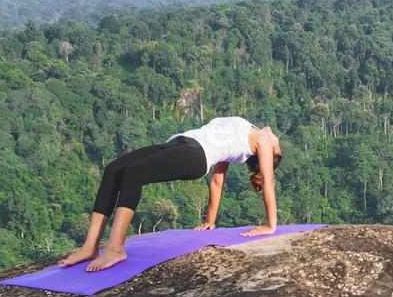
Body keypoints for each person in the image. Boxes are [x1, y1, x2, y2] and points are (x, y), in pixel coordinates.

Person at [59, 117, 283, 272]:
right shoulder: (248, 135)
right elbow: (217, 181)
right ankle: (90, 246)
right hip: (180, 142)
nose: (276, 139)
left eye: (278, 148)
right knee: (114, 169)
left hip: (195, 155)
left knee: (132, 175)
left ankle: (116, 248)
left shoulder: (262, 141)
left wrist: (270, 226)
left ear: (270, 153)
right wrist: (210, 221)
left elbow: (268, 182)